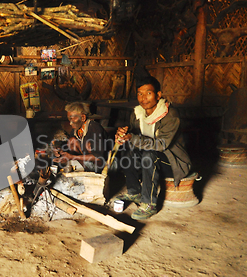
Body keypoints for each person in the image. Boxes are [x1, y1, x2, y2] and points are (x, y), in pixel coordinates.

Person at [112, 76, 191, 220]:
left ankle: (149, 204)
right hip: (150, 160)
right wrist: (123, 135)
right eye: (140, 94)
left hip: (172, 162)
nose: (143, 98)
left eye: (148, 93)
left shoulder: (169, 115)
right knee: (128, 148)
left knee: (149, 155)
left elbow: (161, 145)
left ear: (158, 95)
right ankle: (134, 191)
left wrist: (133, 138)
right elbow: (134, 138)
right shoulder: (137, 113)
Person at [53, 102, 108, 173]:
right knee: (72, 140)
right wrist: (61, 152)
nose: (70, 123)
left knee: (88, 144)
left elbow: (98, 157)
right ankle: (85, 170)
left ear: (83, 117)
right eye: (69, 120)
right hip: (87, 163)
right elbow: (70, 147)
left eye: (72, 119)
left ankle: (91, 173)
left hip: (103, 165)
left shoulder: (95, 128)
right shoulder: (76, 129)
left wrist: (72, 157)